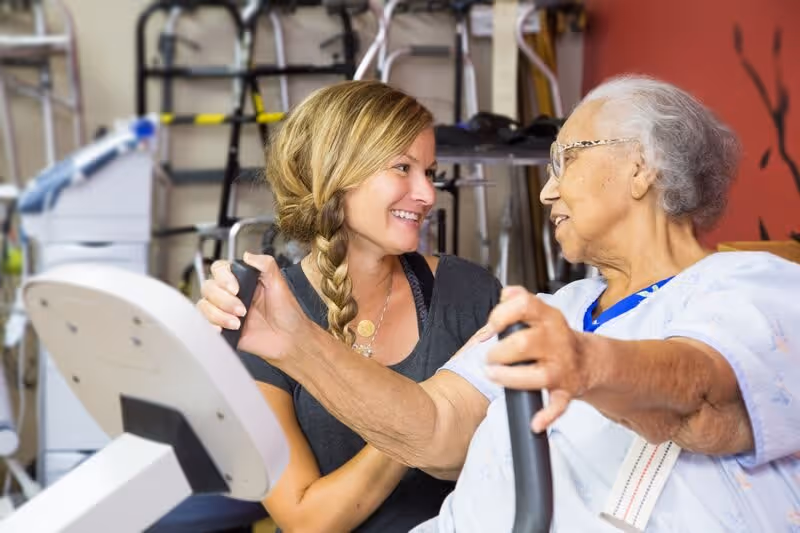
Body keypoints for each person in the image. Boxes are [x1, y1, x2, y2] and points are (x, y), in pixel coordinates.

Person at [200, 75, 800, 531]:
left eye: (566, 158)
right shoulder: (555, 307)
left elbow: (702, 397)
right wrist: (294, 343)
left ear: (639, 166)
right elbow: (433, 430)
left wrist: (586, 365)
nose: (546, 189)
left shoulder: (753, 285)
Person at [198, 80, 502, 532]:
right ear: (337, 175)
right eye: (403, 167)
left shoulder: (467, 294)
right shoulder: (263, 318)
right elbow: (306, 521)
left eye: (430, 173)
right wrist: (430, 408)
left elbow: (506, 469)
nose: (427, 194)